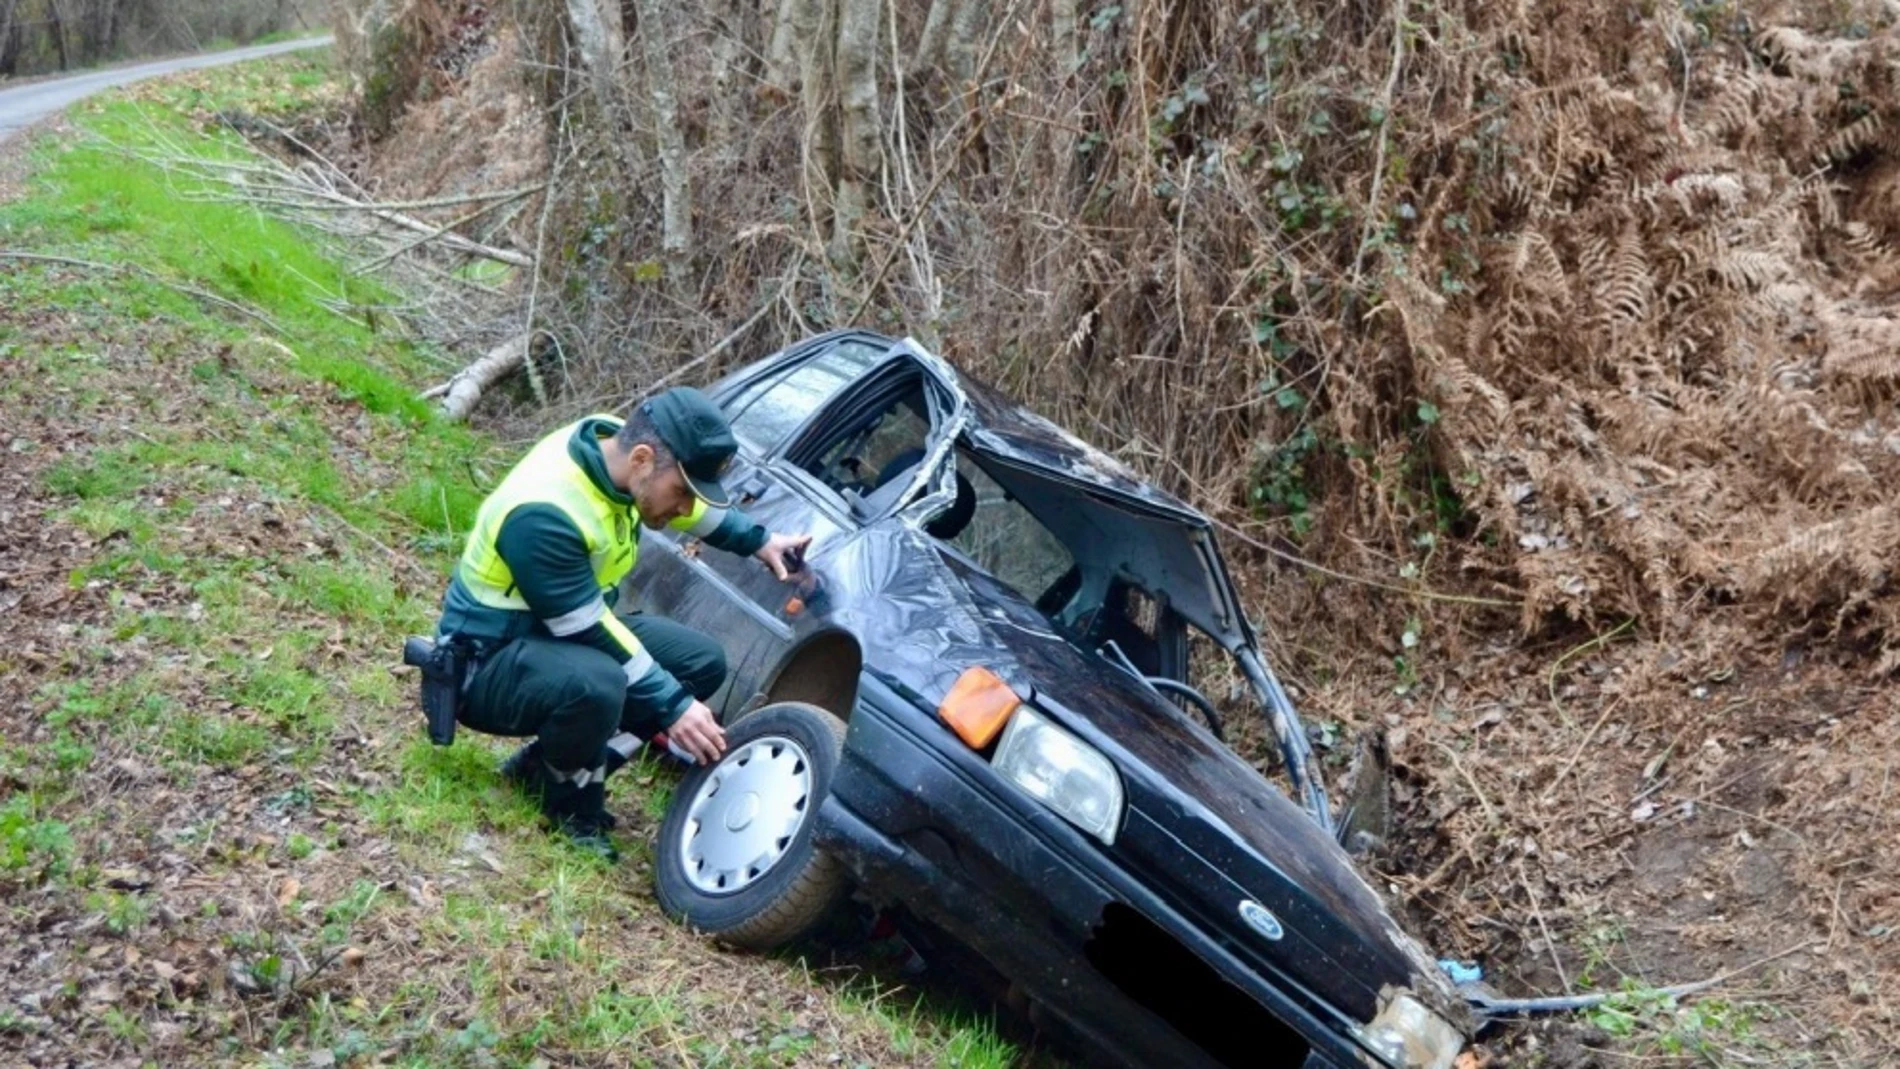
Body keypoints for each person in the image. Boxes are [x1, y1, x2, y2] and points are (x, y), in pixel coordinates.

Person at [433, 387, 811, 860]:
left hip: (553, 639)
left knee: (700, 662)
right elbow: (586, 626)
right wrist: (674, 706)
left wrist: (759, 541)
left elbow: (694, 508)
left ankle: (541, 768)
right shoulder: (545, 511)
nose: (682, 508)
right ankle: (570, 804)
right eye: (681, 492)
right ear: (642, 459)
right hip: (487, 662)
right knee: (603, 682)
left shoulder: (618, 449)